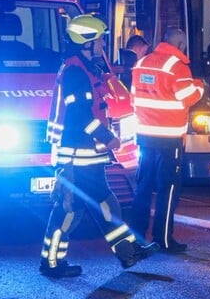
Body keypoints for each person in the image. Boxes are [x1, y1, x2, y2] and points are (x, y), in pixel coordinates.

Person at [40, 15, 158, 278]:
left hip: (86, 156)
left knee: (103, 204)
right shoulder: (75, 72)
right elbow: (81, 115)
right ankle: (51, 263)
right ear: (87, 41)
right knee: (70, 210)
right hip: (76, 157)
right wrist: (109, 138)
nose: (103, 43)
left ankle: (127, 252)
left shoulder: (81, 68)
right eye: (100, 39)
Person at [131, 27, 205, 253]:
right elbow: (188, 97)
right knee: (168, 189)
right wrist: (200, 85)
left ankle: (137, 237)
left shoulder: (142, 63)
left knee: (143, 187)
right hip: (169, 138)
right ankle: (163, 239)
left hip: (145, 135)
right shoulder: (178, 67)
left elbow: (134, 97)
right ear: (180, 43)